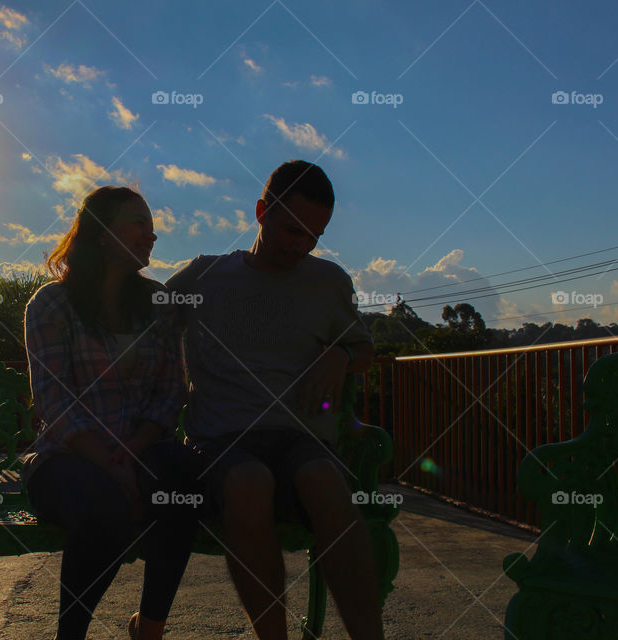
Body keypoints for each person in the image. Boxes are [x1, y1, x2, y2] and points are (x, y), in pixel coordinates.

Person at [165, 160, 383, 640]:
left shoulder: (328, 282)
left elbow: (365, 348)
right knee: (248, 482)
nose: (300, 244)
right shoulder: (204, 277)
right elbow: (142, 325)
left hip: (302, 435)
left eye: (314, 236)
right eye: (291, 229)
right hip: (223, 439)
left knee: (325, 480)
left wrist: (343, 355)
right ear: (262, 211)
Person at [22, 185, 202, 640]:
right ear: (102, 232)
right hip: (68, 458)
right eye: (139, 223)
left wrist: (134, 450)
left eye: (153, 227)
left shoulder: (158, 304)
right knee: (103, 505)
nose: (151, 236)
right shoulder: (51, 304)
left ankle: (150, 628)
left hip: (143, 452)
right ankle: (72, 634)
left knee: (183, 476)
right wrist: (107, 461)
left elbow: (170, 391)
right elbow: (52, 397)